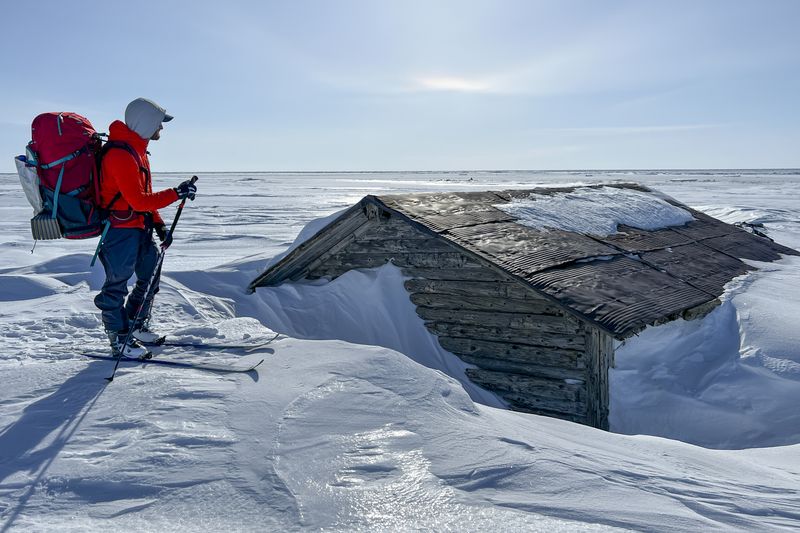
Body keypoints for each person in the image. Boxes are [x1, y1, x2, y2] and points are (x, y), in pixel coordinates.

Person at [94, 97, 197, 358]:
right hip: (120, 232)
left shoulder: (138, 151)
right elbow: (138, 201)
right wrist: (176, 193)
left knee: (149, 279)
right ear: (145, 123)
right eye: (158, 124)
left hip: (141, 228)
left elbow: (144, 196)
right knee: (116, 287)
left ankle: (135, 327)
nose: (161, 130)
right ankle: (118, 339)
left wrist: (160, 226)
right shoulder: (119, 155)